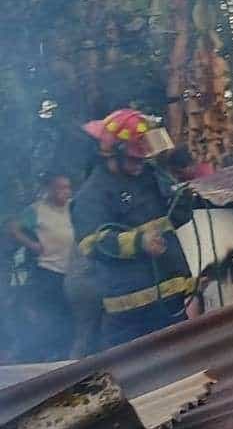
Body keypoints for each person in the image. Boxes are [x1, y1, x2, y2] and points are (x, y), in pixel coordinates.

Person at [71, 110, 196, 349]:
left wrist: (182, 202)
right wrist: (138, 242)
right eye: (134, 159)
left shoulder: (150, 175)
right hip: (129, 313)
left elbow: (173, 219)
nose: (140, 164)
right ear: (111, 154)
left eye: (142, 158)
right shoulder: (92, 194)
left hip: (171, 297)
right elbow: (91, 245)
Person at [10, 174, 75, 360]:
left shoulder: (73, 206)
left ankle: (67, 354)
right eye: (60, 188)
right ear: (50, 189)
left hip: (73, 270)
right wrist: (32, 245)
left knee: (71, 313)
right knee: (54, 315)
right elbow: (14, 228)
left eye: (67, 188)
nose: (65, 192)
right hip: (49, 271)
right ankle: (49, 354)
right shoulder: (37, 210)